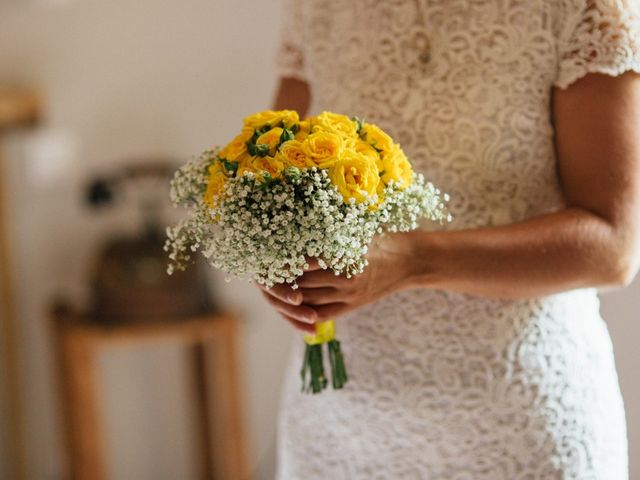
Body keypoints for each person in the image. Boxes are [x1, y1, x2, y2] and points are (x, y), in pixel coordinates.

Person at [260, 1, 640, 478]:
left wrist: (413, 259)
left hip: (520, 430)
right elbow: (273, 180)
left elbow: (612, 246)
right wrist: (276, 260)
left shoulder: (583, 7)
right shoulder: (319, 7)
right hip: (339, 430)